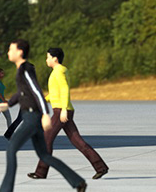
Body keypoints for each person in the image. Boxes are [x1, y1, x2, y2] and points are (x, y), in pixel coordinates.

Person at [0, 39, 85, 192]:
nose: (8, 52)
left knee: (11, 149)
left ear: (19, 52)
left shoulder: (25, 69)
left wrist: (46, 114)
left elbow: (37, 92)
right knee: (45, 155)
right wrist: (7, 105)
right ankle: (79, 182)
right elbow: (22, 93)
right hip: (31, 115)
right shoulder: (22, 70)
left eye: (11, 49)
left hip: (32, 117)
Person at [31, 47, 108, 180]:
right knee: (77, 141)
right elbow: (56, 93)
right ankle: (100, 167)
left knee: (46, 139)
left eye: (48, 57)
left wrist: (64, 109)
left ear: (55, 59)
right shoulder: (58, 71)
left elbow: (65, 89)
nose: (46, 60)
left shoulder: (59, 71)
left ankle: (40, 172)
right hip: (62, 109)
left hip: (61, 110)